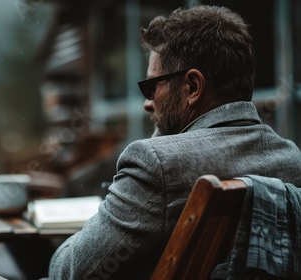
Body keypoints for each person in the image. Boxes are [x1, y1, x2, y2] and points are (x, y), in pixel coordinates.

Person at [48, 5, 301, 279]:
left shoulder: (156, 165)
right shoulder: (291, 160)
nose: (146, 103)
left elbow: (71, 271)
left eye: (151, 87)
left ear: (192, 87)